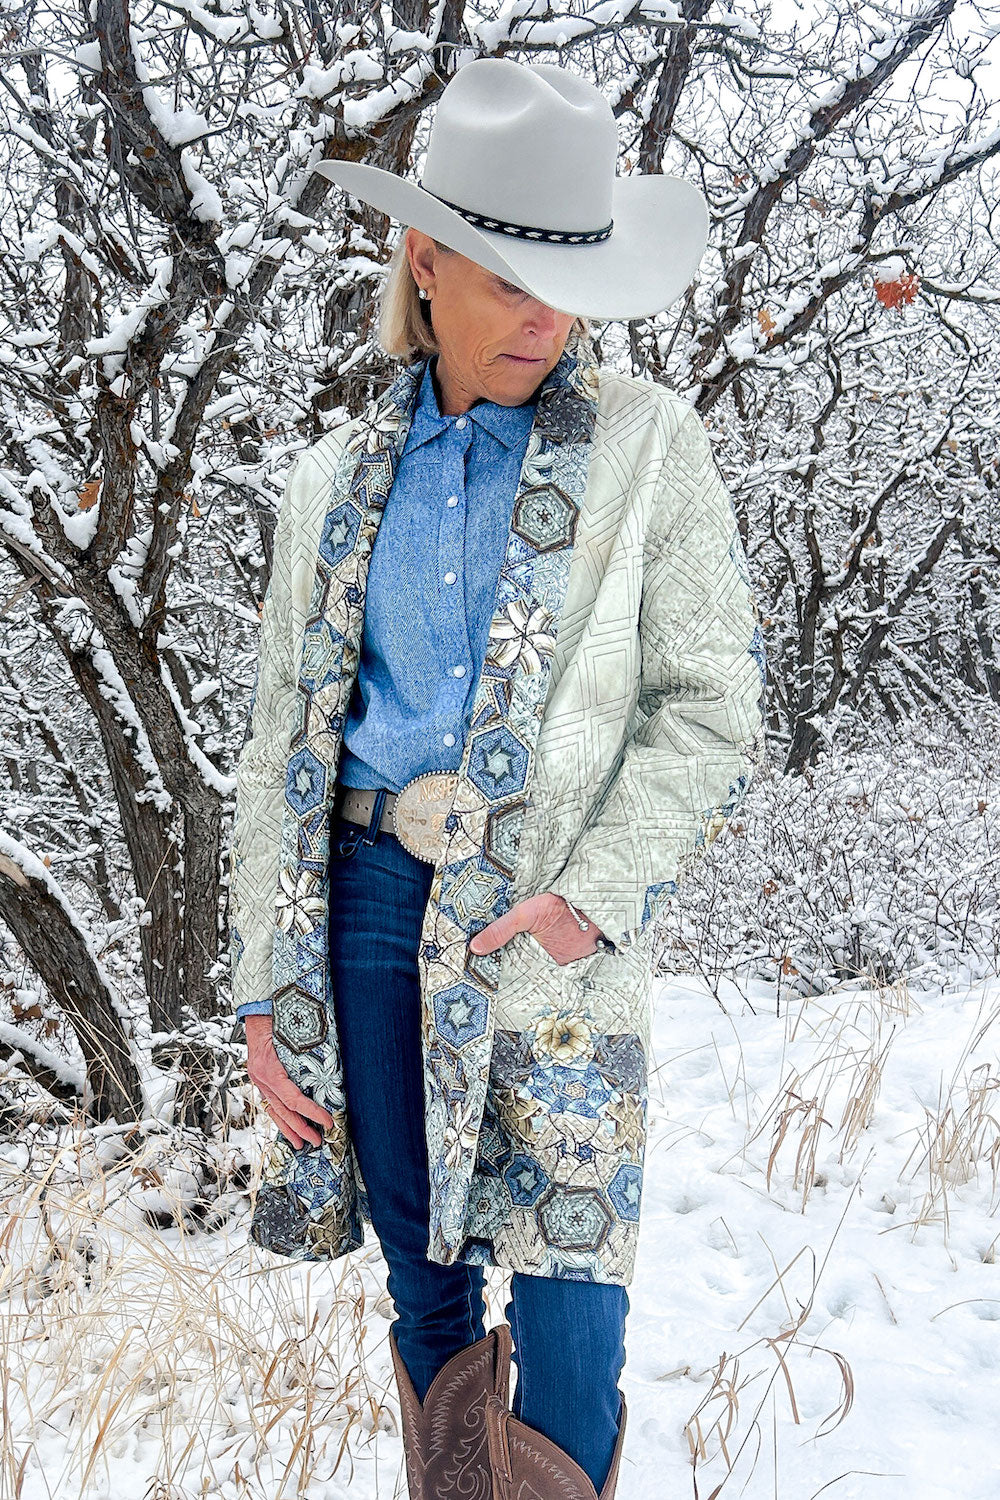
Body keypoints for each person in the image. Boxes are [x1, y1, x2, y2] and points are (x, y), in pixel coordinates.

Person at [228, 57, 767, 1500]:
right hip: (368, 905)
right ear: (424, 257)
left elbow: (709, 706)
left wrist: (596, 896)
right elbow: (279, 742)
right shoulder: (330, 481)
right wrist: (265, 989)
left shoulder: (648, 451)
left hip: (551, 924)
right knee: (428, 1283)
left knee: (577, 1299)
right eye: (512, 280)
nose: (547, 319)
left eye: (570, 285)